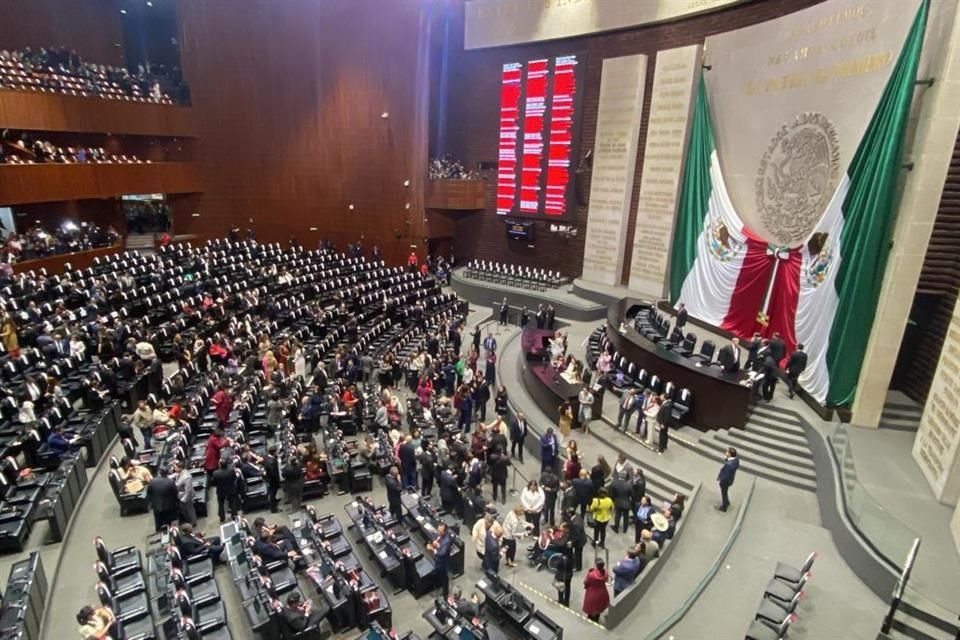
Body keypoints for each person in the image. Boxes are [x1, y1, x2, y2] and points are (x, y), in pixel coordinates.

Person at [146, 467, 179, 533]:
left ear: (160, 473)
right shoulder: (170, 482)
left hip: (156, 505)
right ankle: (169, 533)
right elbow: (176, 493)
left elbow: (148, 492)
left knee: (158, 520)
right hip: (168, 506)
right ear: (167, 473)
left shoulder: (152, 481)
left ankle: (158, 531)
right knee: (168, 521)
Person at [428, 522, 453, 597]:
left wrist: (433, 548)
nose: (438, 532)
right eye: (438, 530)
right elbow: (438, 543)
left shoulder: (447, 540)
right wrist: (436, 542)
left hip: (443, 562)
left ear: (444, 531)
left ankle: (445, 593)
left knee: (444, 577)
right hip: (438, 560)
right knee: (437, 573)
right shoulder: (441, 535)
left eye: (440, 531)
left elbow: (442, 553)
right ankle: (438, 585)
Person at [172, 460, 197, 527]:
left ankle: (193, 522)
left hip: (186, 497)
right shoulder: (179, 473)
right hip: (181, 495)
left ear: (180, 468)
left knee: (189, 510)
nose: (174, 469)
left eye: (175, 468)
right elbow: (175, 475)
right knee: (184, 509)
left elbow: (188, 490)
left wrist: (184, 499)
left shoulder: (186, 477)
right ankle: (188, 520)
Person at [716, 447, 740, 512]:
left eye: (727, 452)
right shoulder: (736, 460)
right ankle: (727, 502)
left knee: (724, 493)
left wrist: (721, 481)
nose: (725, 452)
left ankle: (724, 507)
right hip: (730, 479)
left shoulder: (728, 465)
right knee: (726, 492)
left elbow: (725, 475)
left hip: (725, 481)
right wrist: (727, 460)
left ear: (729, 454)